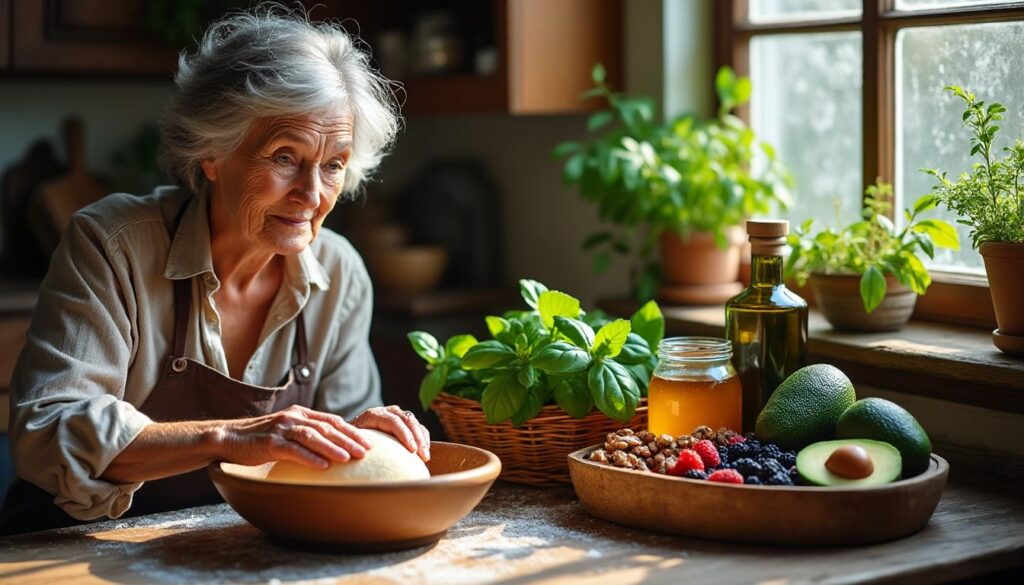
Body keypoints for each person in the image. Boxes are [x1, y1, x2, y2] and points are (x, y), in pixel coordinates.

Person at [0, 7, 426, 535]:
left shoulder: (339, 273)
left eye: (334, 163)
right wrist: (229, 437)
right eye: (285, 156)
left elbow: (336, 472)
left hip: (229, 542)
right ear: (211, 153)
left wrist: (359, 438)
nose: (312, 195)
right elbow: (48, 430)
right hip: (67, 544)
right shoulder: (113, 246)